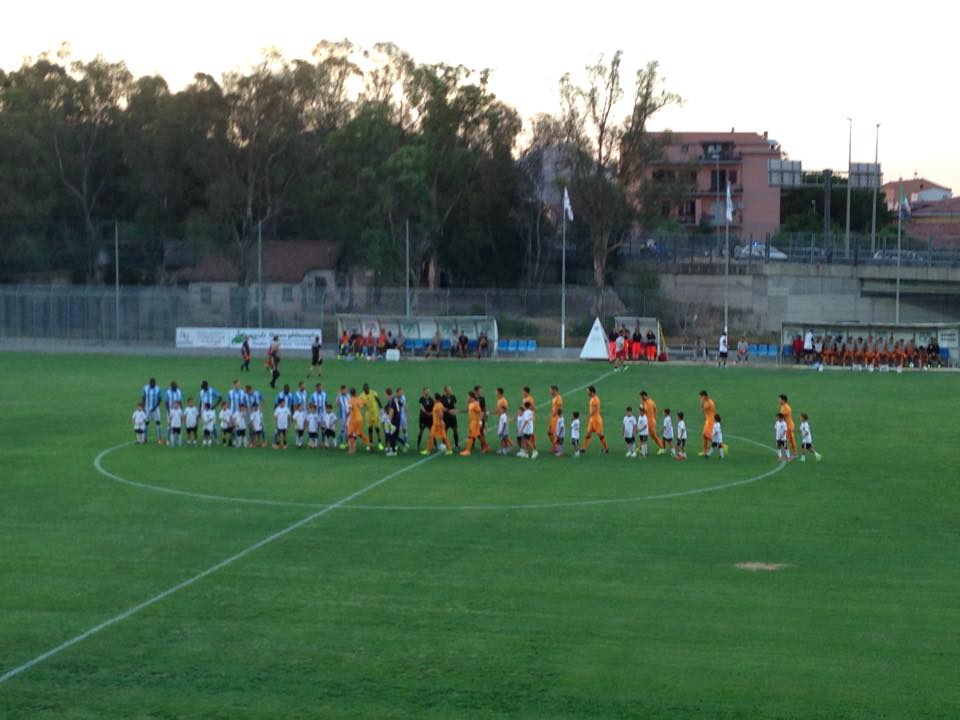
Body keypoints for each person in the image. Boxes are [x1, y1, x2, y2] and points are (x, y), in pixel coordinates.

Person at [459, 390, 490, 456]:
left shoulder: (476, 404)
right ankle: (486, 447)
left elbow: (480, 413)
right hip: (472, 422)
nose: (467, 398)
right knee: (479, 436)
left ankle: (468, 451)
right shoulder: (470, 403)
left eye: (467, 396)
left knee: (470, 436)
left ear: (471, 397)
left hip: (475, 423)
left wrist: (480, 422)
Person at [580, 386, 609, 455]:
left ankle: (606, 448)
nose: (587, 393)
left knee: (600, 434)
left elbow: (594, 410)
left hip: (596, 420)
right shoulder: (592, 398)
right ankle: (584, 448)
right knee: (588, 433)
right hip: (592, 420)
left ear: (591, 391)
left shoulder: (595, 399)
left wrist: (587, 416)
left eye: (588, 391)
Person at [639, 390, 666, 455]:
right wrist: (654, 417)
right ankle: (662, 448)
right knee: (652, 436)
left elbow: (644, 411)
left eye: (642, 397)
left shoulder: (647, 403)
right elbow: (655, 408)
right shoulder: (651, 401)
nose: (641, 398)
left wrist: (641, 405)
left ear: (644, 396)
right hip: (652, 420)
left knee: (645, 435)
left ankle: (640, 448)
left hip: (649, 422)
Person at [347, 387, 371, 454]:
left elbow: (350, 409)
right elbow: (365, 404)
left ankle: (352, 449)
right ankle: (369, 443)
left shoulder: (350, 400)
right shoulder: (359, 399)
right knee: (359, 433)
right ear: (355, 393)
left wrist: (347, 415)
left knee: (350, 434)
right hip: (359, 418)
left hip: (353, 419)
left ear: (350, 394)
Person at [142, 378, 163, 444]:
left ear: (155, 383)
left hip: (156, 409)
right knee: (146, 423)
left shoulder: (158, 389)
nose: (152, 384)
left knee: (158, 422)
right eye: (151, 383)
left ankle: (159, 438)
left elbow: (160, 398)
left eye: (153, 383)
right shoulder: (145, 388)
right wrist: (143, 407)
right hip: (147, 408)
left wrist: (156, 406)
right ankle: (145, 438)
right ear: (149, 383)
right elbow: (144, 397)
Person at [441, 385, 460, 451]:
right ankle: (444, 445)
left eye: (450, 389)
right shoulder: (442, 398)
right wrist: (448, 410)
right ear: (445, 391)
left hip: (452, 417)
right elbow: (441, 407)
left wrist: (455, 410)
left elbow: (455, 405)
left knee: (455, 431)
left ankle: (457, 445)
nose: (450, 391)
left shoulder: (453, 397)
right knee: (444, 432)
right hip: (445, 417)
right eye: (448, 390)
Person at [384, 388, 402, 456]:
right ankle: (394, 448)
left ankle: (393, 451)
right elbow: (401, 405)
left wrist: (389, 420)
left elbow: (392, 410)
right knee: (395, 435)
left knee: (391, 435)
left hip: (394, 420)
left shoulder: (391, 400)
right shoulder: (396, 399)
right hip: (398, 419)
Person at [778, 394, 797, 459]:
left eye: (780, 399)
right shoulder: (783, 406)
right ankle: (787, 454)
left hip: (788, 426)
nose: (778, 400)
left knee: (791, 440)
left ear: (783, 400)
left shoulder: (786, 408)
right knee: (783, 440)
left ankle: (794, 454)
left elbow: (781, 416)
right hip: (785, 426)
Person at [698, 390, 716, 457]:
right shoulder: (709, 401)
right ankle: (705, 451)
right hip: (708, 420)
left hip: (710, 421)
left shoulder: (708, 403)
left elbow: (702, 410)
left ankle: (720, 445)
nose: (700, 398)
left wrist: (702, 403)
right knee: (704, 436)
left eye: (701, 397)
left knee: (706, 435)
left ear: (704, 396)